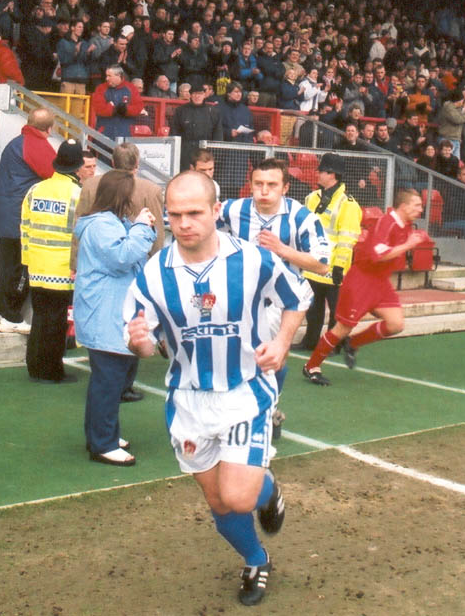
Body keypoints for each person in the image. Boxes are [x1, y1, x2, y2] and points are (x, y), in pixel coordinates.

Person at [125, 171, 309, 606]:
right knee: (218, 503)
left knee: (238, 496)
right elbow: (147, 345)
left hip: (245, 392)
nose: (184, 223)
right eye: (175, 215)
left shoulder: (251, 258)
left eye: (194, 213)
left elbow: (297, 297)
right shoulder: (153, 274)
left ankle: (265, 490)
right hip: (188, 401)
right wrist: (140, 343)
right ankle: (256, 558)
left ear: (214, 211)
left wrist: (282, 343)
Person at [217, 158, 330, 438]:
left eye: (272, 185)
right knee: (232, 356)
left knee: (272, 358)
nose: (264, 191)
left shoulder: (300, 216)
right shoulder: (233, 209)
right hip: (239, 297)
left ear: (285, 188)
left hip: (283, 301)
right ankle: (237, 413)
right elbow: (201, 224)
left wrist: (282, 249)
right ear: (251, 185)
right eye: (258, 184)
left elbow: (322, 263)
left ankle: (268, 411)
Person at [303, 189, 427, 385]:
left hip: (380, 282)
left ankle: (353, 344)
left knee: (396, 324)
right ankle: (312, 366)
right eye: (417, 205)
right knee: (343, 327)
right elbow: (380, 255)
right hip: (361, 281)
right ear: (404, 206)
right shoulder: (387, 222)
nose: (421, 209)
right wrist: (409, 244)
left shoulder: (406, 224)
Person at [75, 170, 156, 465]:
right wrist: (142, 228)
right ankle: (103, 442)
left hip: (109, 311)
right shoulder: (101, 226)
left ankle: (102, 434)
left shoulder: (110, 222)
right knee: (108, 380)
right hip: (104, 313)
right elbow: (122, 257)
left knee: (109, 379)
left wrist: (139, 228)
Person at [75, 142, 165, 403]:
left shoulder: (91, 185)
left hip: (100, 273)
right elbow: (152, 234)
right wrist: (154, 262)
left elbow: (78, 225)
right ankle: (121, 390)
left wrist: (75, 261)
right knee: (130, 329)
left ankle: (117, 391)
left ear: (112, 163)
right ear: (137, 164)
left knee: (125, 332)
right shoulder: (149, 189)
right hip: (122, 273)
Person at [20, 139, 83, 383]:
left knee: (40, 317)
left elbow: (25, 227)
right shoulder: (78, 195)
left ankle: (34, 366)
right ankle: (52, 370)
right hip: (62, 270)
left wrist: (27, 260)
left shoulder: (35, 190)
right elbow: (79, 235)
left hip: (37, 266)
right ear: (77, 168)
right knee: (56, 322)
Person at [0, 108, 56, 333]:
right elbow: (54, 174)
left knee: (6, 265)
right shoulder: (37, 144)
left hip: (5, 212)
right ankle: (11, 316)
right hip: (22, 217)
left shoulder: (16, 142)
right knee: (21, 267)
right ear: (49, 129)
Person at [298, 154, 363, 351]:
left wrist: (339, 267)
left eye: (321, 170)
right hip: (313, 265)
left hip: (334, 267)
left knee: (336, 311)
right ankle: (310, 341)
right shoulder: (311, 198)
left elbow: (347, 239)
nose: (317, 173)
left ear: (332, 174)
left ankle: (334, 344)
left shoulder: (348, 204)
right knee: (313, 308)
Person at [170, 82, 224, 171]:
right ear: (190, 95)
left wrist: (215, 156)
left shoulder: (213, 112)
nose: (197, 96)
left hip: (205, 154)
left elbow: (218, 135)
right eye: (195, 94)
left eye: (200, 94)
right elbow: (174, 133)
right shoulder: (180, 111)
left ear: (204, 95)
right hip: (185, 154)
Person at [90, 64, 144, 139]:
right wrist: (113, 109)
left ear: (118, 75)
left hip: (125, 133)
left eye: (109, 76)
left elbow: (138, 107)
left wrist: (126, 110)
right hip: (104, 133)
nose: (106, 78)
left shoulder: (131, 88)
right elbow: (98, 108)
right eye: (106, 75)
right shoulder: (101, 88)